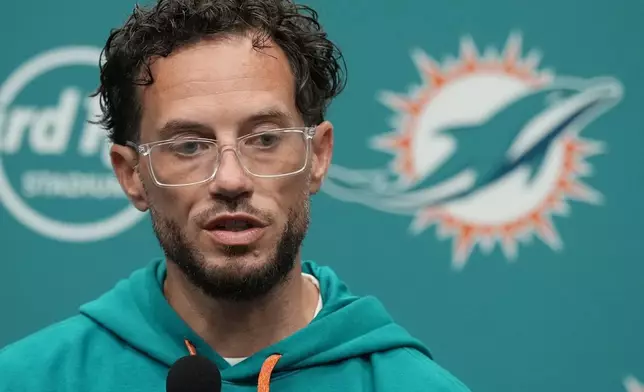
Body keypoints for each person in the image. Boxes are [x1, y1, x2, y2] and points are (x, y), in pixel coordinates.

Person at [0, 1, 471, 391]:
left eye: (265, 139)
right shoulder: (29, 379)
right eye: (188, 145)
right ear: (131, 175)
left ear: (319, 156)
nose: (230, 179)